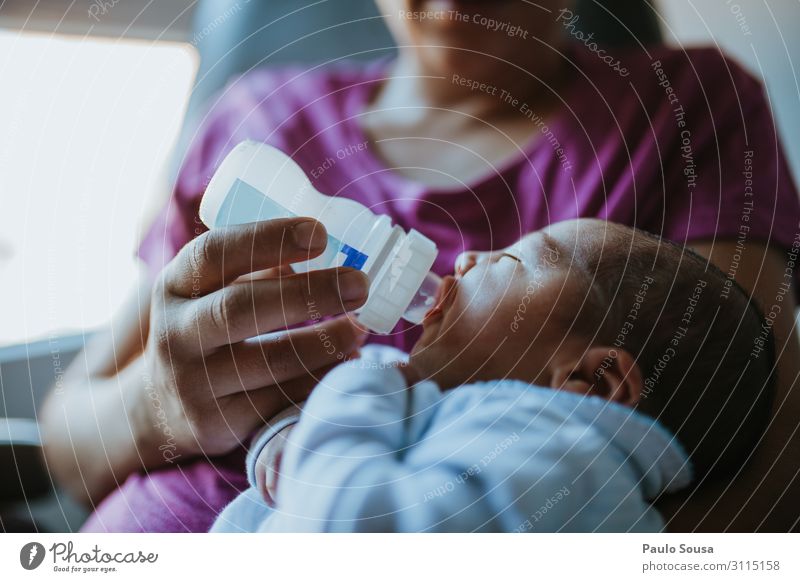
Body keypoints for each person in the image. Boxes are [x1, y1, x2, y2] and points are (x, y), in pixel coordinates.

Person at [41, 0, 800, 532]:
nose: (462, 260)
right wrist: (158, 410)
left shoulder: (689, 110)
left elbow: (758, 452)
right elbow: (66, 442)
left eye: (519, 252)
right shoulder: (258, 118)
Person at [210, 219, 775, 532]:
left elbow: (350, 529)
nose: (464, 259)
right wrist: (286, 442)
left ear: (590, 381)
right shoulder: (527, 446)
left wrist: (356, 387)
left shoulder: (558, 461)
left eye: (511, 260)